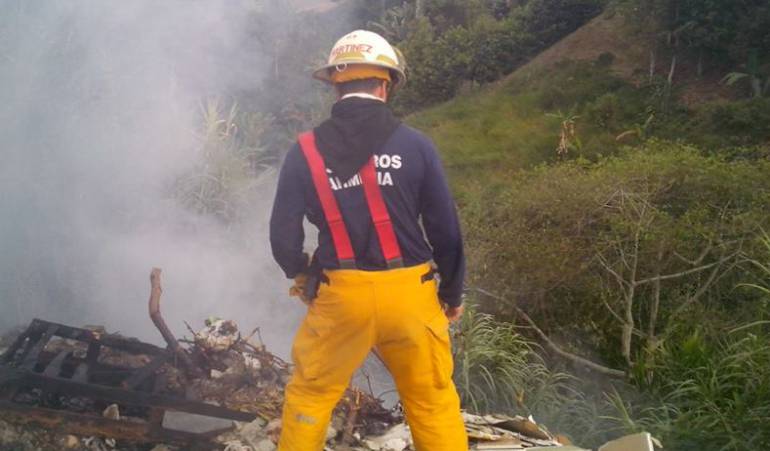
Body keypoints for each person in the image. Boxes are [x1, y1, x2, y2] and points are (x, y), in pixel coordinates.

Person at [269, 29, 468, 451]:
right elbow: (446, 232)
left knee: (311, 395)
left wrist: (303, 274)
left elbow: (283, 236)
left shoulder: (303, 152)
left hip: (341, 296)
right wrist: (452, 292)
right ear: (385, 83)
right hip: (411, 297)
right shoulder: (416, 146)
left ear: (336, 84)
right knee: (432, 401)